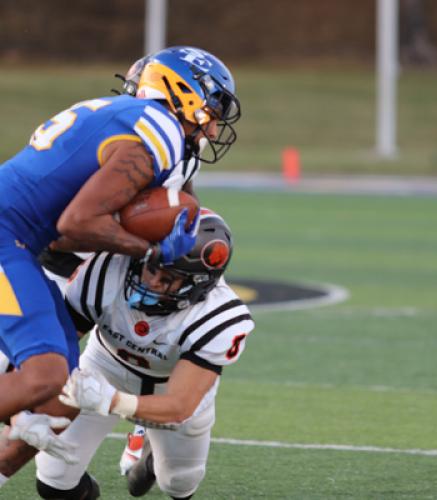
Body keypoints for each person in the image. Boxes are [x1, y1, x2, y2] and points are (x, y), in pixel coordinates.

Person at [0, 45, 241, 459]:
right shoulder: (160, 130)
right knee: (43, 376)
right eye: (212, 112)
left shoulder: (135, 121)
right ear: (182, 90)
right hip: (9, 240)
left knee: (61, 375)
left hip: (21, 243)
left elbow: (67, 230)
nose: (214, 130)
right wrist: (148, 249)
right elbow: (75, 224)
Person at [31, 209, 254, 499]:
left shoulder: (218, 317)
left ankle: (150, 459)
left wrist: (112, 401)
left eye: (169, 278)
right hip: (105, 365)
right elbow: (62, 345)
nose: (152, 282)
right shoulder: (107, 269)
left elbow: (179, 406)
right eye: (152, 267)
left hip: (170, 387)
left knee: (178, 483)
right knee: (54, 479)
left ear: (199, 283)